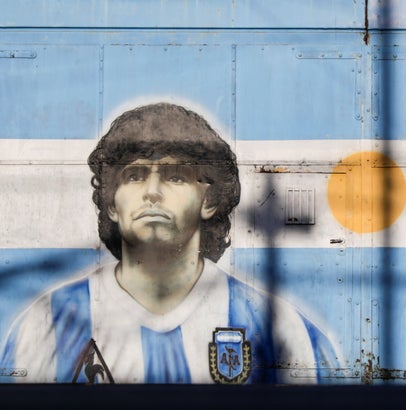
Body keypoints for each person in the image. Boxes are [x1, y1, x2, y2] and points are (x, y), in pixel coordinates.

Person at [0, 102, 339, 384]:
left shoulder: (278, 326)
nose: (152, 191)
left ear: (209, 201)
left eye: (175, 175)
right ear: (111, 204)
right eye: (134, 175)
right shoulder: (47, 323)